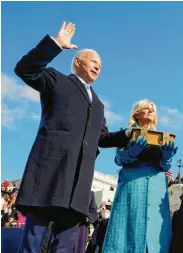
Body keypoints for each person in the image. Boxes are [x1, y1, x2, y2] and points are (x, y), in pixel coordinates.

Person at [14, 22, 131, 253]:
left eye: (101, 64)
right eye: (94, 61)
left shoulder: (98, 104)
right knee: (33, 243)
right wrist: (55, 44)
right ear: (78, 62)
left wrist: (127, 134)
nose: (99, 66)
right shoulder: (57, 81)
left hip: (78, 187)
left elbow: (103, 138)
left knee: (66, 247)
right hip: (50, 177)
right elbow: (25, 69)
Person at [102, 99, 177, 253]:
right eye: (147, 108)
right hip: (133, 185)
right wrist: (132, 152)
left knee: (156, 233)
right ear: (137, 113)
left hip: (157, 188)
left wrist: (167, 157)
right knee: (127, 228)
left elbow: (165, 166)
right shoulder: (127, 132)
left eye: (152, 109)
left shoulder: (161, 137)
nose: (151, 111)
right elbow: (118, 159)